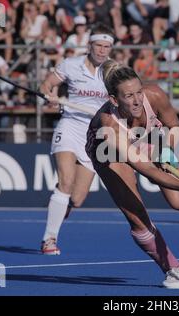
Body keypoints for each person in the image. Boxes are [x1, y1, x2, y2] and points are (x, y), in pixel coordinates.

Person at [85, 60, 179, 289]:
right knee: (137, 218)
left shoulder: (155, 95)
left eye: (138, 92)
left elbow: (175, 127)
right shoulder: (109, 126)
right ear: (114, 100)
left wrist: (164, 150)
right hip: (108, 154)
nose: (137, 101)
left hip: (147, 139)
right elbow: (148, 170)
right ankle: (172, 268)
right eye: (128, 96)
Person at [39, 23, 115, 255]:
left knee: (78, 198)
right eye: (98, 45)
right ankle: (49, 239)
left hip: (94, 135)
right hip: (69, 126)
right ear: (89, 45)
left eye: (106, 47)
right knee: (66, 182)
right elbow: (46, 85)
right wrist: (49, 96)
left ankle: (61, 205)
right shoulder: (71, 65)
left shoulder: (114, 72)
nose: (102, 51)